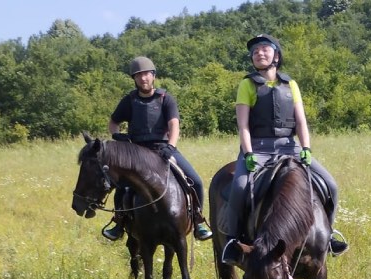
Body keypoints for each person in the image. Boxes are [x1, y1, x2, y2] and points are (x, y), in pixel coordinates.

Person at [220, 34, 347, 266]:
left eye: (264, 49)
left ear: (276, 55)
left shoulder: (291, 85)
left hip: (290, 146)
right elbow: (243, 125)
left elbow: (301, 122)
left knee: (331, 185)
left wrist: (306, 147)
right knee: (238, 187)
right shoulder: (247, 84)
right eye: (255, 51)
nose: (259, 53)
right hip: (258, 148)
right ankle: (231, 241)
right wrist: (248, 153)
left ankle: (328, 237)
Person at [104, 56, 212, 242]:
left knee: (196, 181)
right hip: (137, 152)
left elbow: (174, 125)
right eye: (138, 75)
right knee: (122, 187)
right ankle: (119, 222)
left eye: (146, 74)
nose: (143, 78)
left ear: (153, 75)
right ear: (134, 79)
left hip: (163, 149)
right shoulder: (129, 100)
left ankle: (198, 220)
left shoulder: (165, 98)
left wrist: (171, 146)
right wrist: (117, 135)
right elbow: (113, 122)